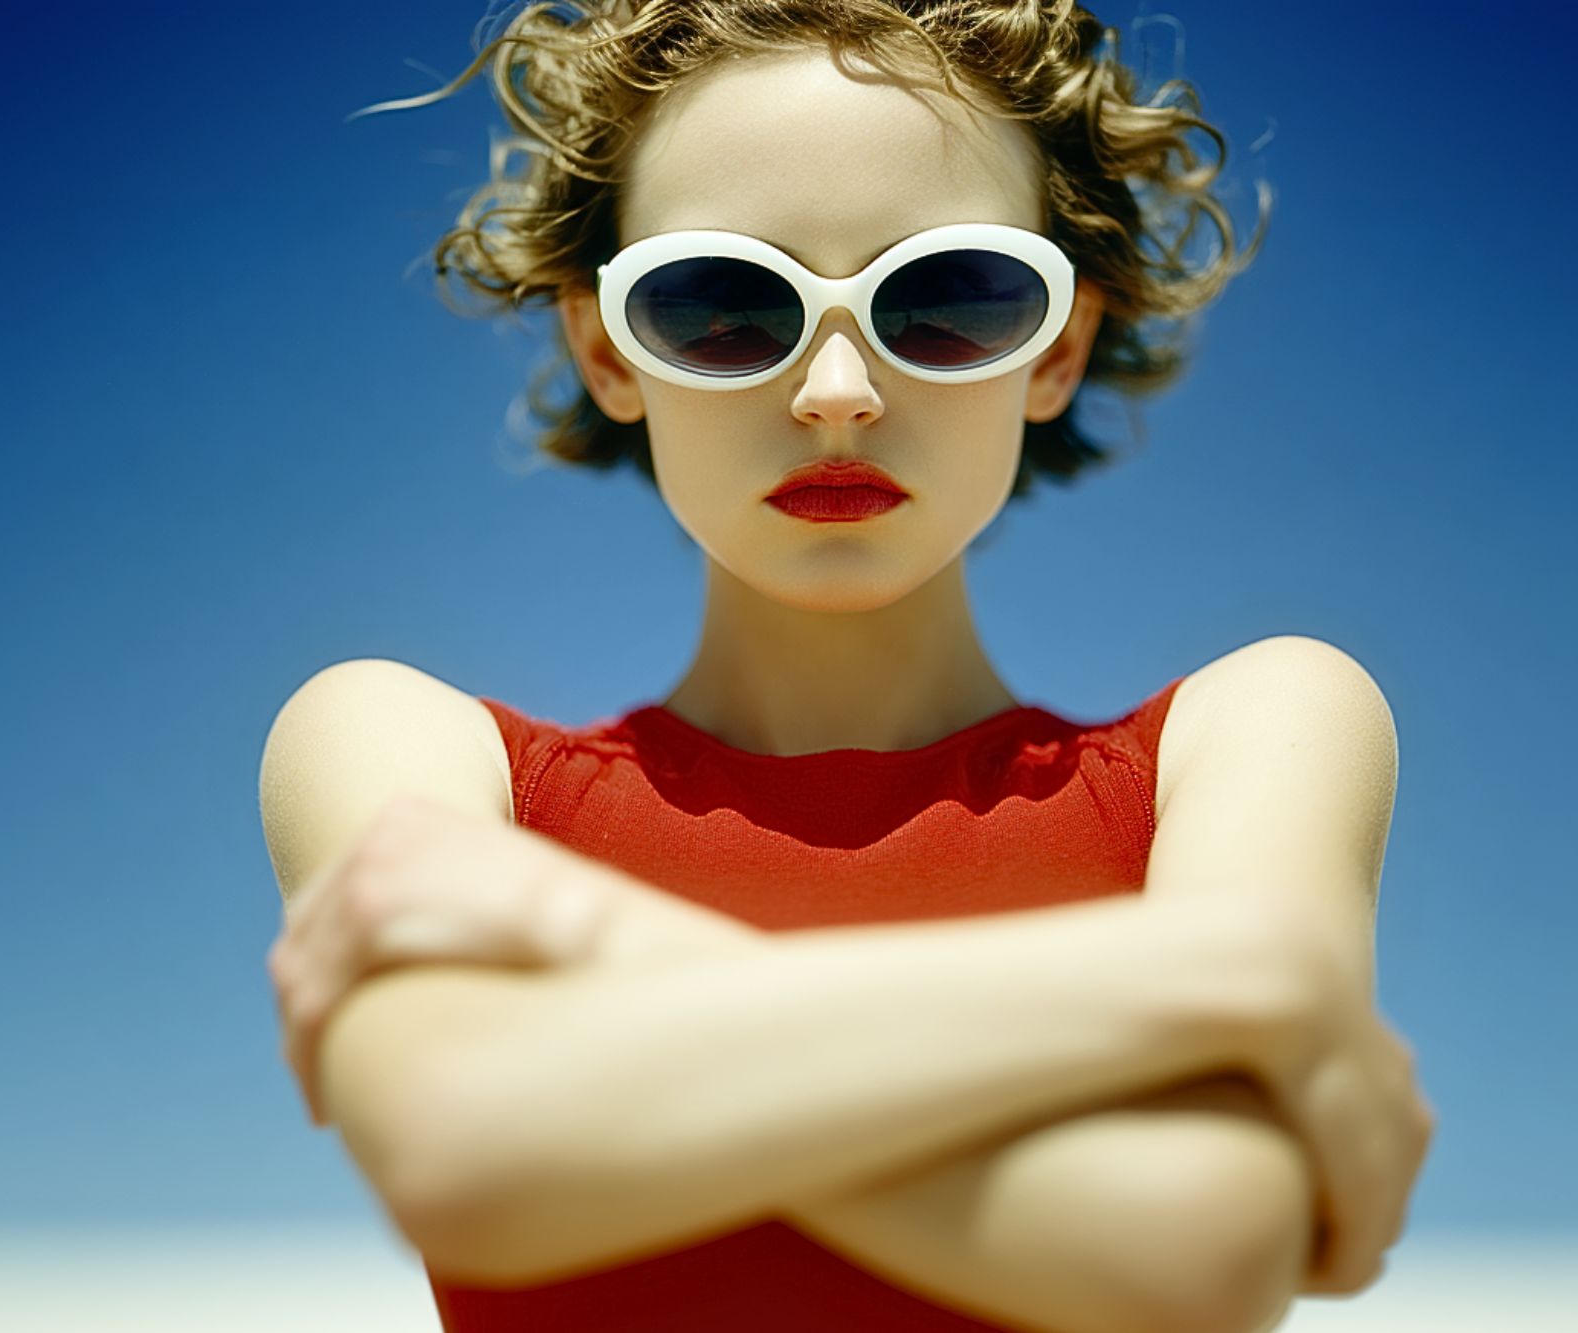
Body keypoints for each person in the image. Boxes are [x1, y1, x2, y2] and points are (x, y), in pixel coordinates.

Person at [258, 3, 1434, 1330]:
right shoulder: (397, 747)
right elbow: (467, 1154)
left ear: (1055, 345)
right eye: (719, 300)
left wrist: (586, 936)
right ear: (603, 349)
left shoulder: (1257, 727)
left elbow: (1206, 1251)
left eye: (946, 295)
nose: (836, 390)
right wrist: (1224, 976)